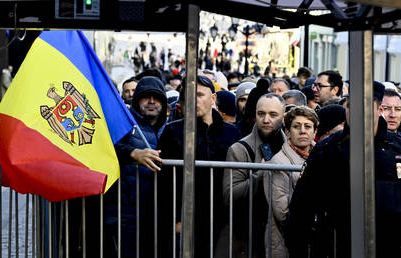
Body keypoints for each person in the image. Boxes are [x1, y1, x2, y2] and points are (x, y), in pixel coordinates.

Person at [286, 81, 401, 258]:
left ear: (380, 111)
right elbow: (302, 208)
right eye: (350, 106)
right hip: (336, 246)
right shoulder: (328, 149)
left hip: (388, 247)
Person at [157, 75, 241, 257]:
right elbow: (165, 181)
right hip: (187, 215)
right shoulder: (173, 131)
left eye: (200, 95)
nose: (194, 100)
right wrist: (175, 218)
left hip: (222, 215)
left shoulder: (232, 132)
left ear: (213, 99)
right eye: (189, 95)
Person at [105, 76, 167, 258]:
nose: (151, 101)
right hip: (125, 212)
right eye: (146, 96)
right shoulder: (124, 123)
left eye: (156, 97)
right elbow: (109, 146)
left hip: (157, 214)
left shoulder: (170, 127)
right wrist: (132, 153)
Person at [220, 93, 287, 258]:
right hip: (249, 233)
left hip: (282, 233)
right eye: (261, 114)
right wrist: (261, 173)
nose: (266, 120)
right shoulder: (239, 149)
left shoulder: (292, 148)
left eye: (273, 115)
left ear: (283, 117)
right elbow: (230, 195)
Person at [263, 105, 318, 258]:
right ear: (287, 132)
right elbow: (282, 212)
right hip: (287, 241)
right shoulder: (278, 162)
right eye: (296, 126)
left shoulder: (320, 156)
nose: (302, 131)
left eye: (308, 126)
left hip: (313, 240)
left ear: (315, 132)